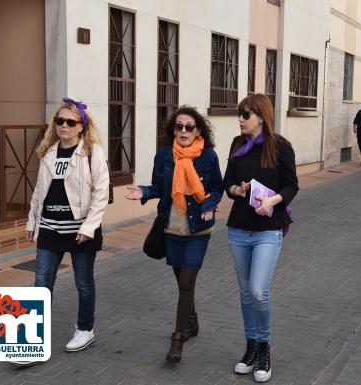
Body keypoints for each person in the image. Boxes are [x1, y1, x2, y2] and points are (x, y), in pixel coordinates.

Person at [125, 106, 223, 363]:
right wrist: (144, 192)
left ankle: (177, 339)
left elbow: (216, 187)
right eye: (178, 126)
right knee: (181, 281)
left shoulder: (208, 156)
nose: (183, 131)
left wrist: (209, 205)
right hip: (171, 228)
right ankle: (192, 322)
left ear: (198, 130)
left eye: (188, 127)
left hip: (198, 229)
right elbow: (159, 186)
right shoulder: (165, 155)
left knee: (186, 283)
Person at [25, 98, 110, 358]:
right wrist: (32, 221)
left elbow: (101, 193)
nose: (64, 125)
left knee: (83, 283)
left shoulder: (92, 153)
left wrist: (89, 227)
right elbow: (40, 190)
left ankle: (85, 329)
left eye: (70, 122)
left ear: (81, 126)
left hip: (80, 232)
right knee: (41, 283)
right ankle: (32, 337)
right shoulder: (48, 151)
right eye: (59, 121)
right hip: (50, 228)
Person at [224, 94, 299, 383]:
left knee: (258, 290)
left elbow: (292, 184)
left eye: (246, 114)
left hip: (268, 228)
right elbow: (226, 181)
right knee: (245, 292)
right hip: (239, 227)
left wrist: (274, 201)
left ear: (261, 116)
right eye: (240, 114)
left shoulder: (280, 146)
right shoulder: (237, 144)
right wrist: (236, 191)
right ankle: (251, 346)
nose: (240, 119)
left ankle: (265, 347)